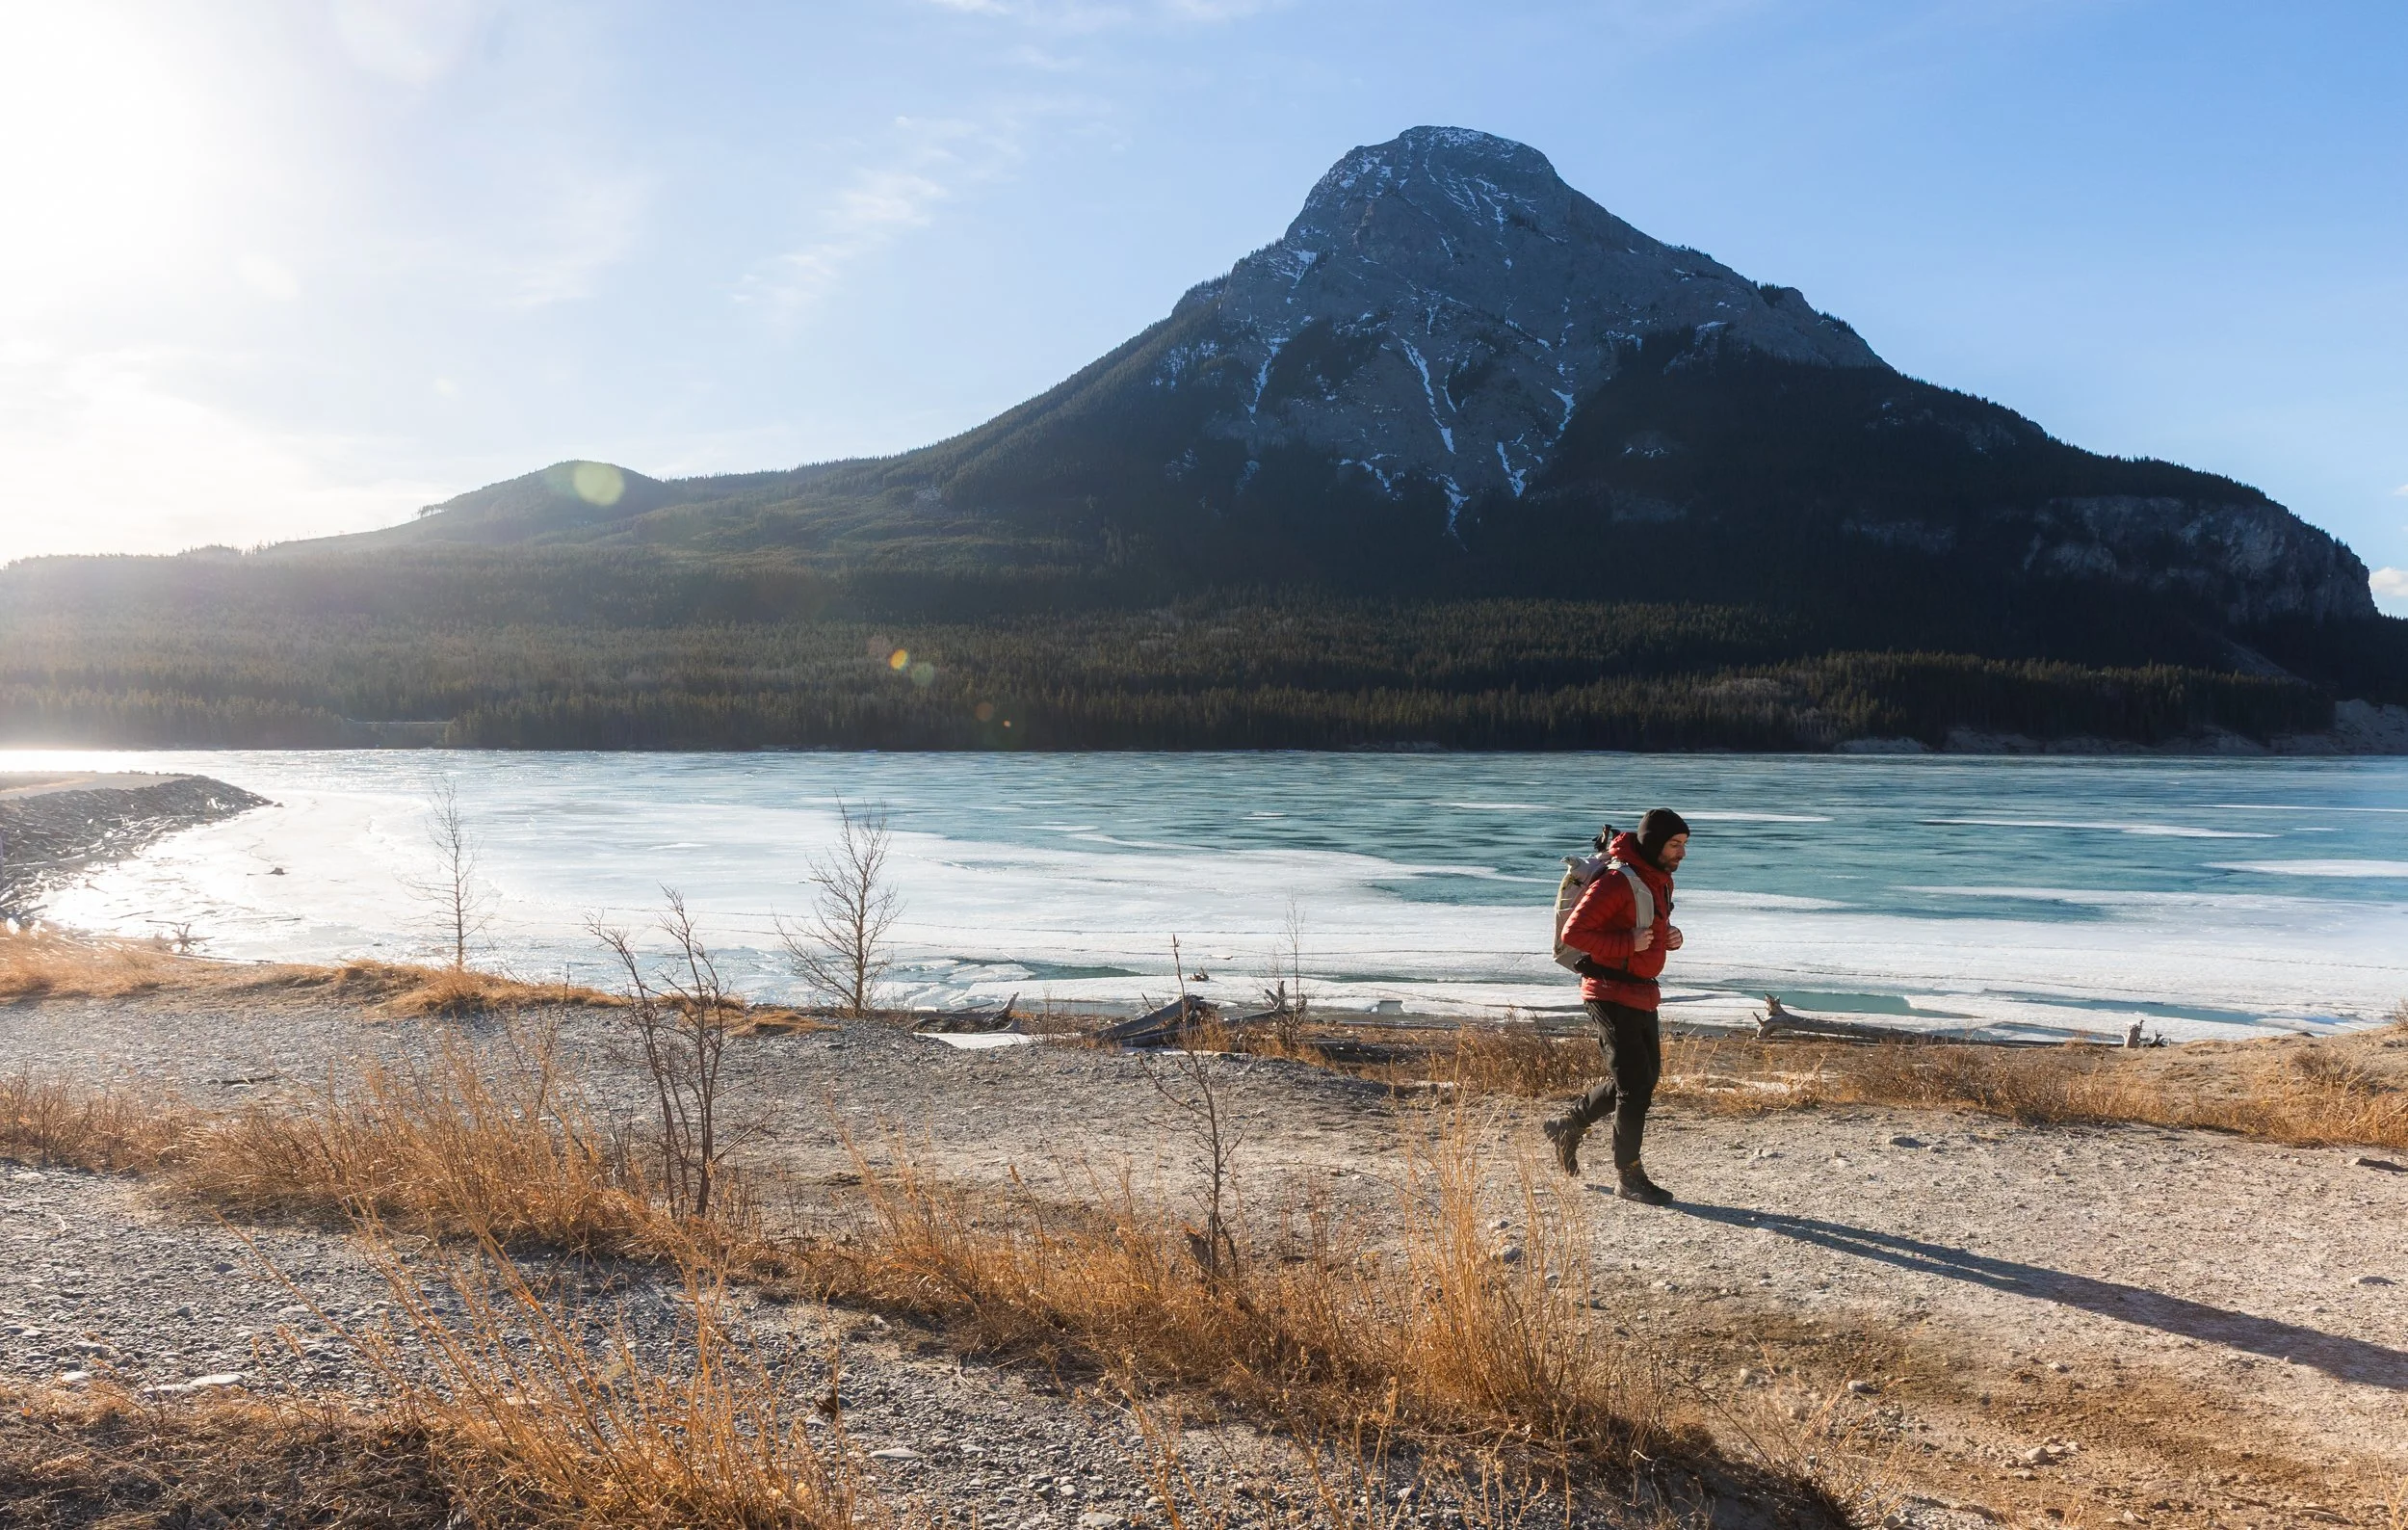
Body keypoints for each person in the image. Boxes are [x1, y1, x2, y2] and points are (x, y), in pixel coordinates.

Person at [1542, 807, 1689, 1204]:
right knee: (1635, 1087)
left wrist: (1670, 937)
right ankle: (1629, 1177)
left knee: (1639, 1081)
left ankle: (1567, 1125)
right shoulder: (1616, 881)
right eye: (1675, 845)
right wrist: (1628, 945)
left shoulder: (1656, 880)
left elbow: (1645, 930)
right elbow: (1576, 931)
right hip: (1608, 991)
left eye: (1684, 845)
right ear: (1654, 843)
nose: (1682, 853)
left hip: (1641, 990)